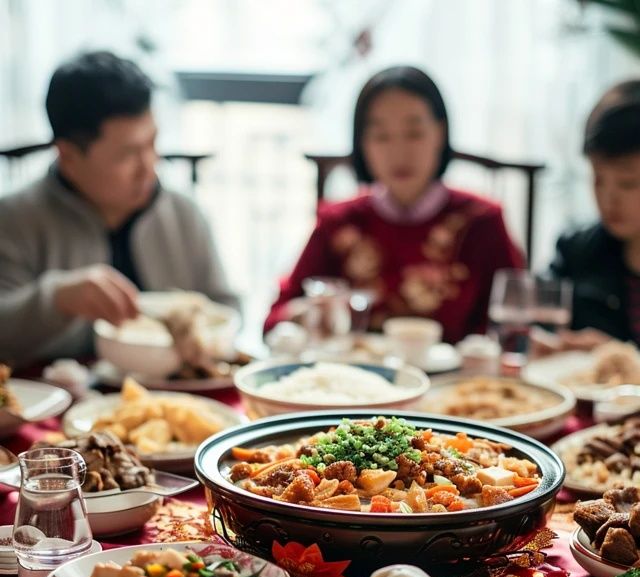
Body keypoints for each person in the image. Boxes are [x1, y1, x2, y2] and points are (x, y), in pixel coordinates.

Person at [0, 51, 237, 367]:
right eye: (128, 155)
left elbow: (226, 308)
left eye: (152, 143)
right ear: (68, 156)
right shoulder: (14, 220)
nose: (149, 167)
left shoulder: (182, 214)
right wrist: (56, 299)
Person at [264, 66, 524, 343]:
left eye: (414, 133)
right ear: (362, 143)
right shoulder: (338, 222)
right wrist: (309, 314)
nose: (399, 152)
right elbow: (273, 321)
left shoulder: (481, 221)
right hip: (355, 381)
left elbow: (514, 326)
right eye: (381, 136)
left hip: (455, 384)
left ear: (440, 132)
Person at [546, 80, 640, 349]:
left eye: (627, 183)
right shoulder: (576, 249)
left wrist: (622, 358)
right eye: (598, 179)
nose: (609, 199)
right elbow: (540, 324)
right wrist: (552, 344)